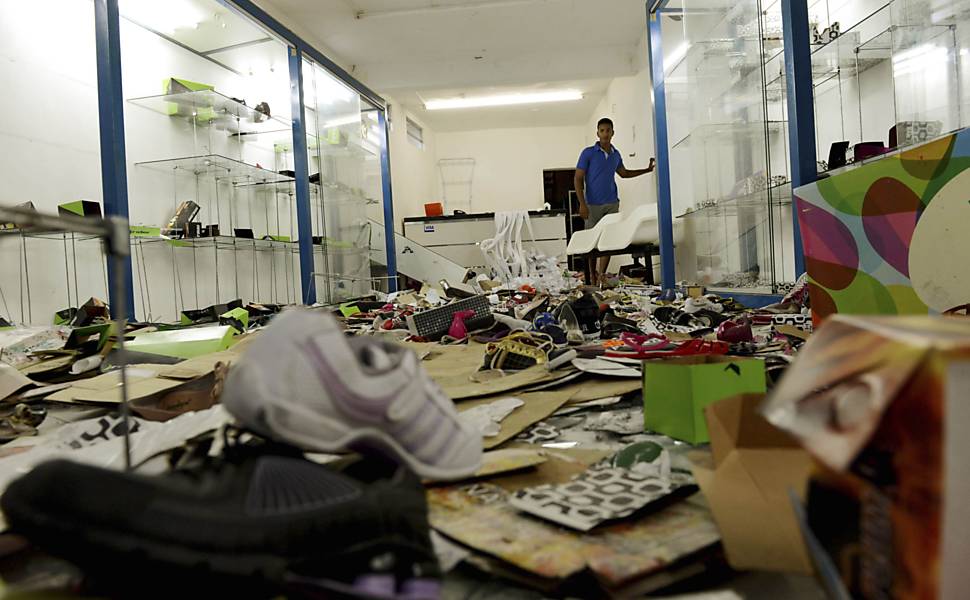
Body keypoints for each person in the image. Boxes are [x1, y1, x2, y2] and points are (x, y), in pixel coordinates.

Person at [574, 117, 656, 284]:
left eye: (608, 130)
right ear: (597, 133)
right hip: (592, 205)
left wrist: (647, 170)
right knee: (591, 242)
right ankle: (592, 276)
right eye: (602, 130)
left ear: (613, 133)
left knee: (608, 241)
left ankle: (602, 275)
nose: (605, 133)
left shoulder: (615, 154)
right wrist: (582, 204)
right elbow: (577, 178)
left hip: (612, 203)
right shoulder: (588, 153)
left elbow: (624, 173)